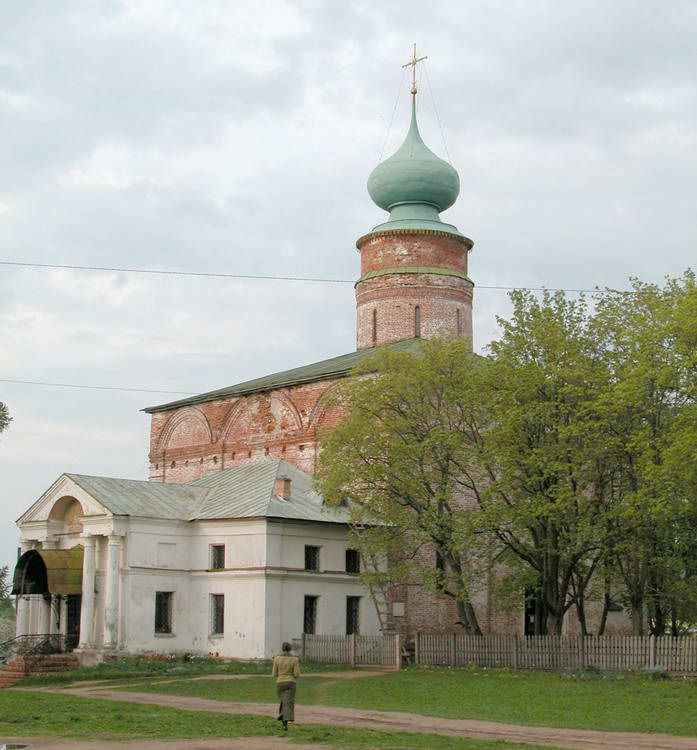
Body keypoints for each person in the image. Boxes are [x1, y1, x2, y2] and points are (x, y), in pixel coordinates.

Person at [271, 641, 300, 731]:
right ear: (290, 649)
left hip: (280, 683)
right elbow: (297, 674)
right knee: (289, 702)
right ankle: (285, 722)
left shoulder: (277, 659)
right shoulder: (295, 659)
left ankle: (282, 717)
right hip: (291, 683)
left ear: (282, 648)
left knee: (284, 701)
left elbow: (274, 674)